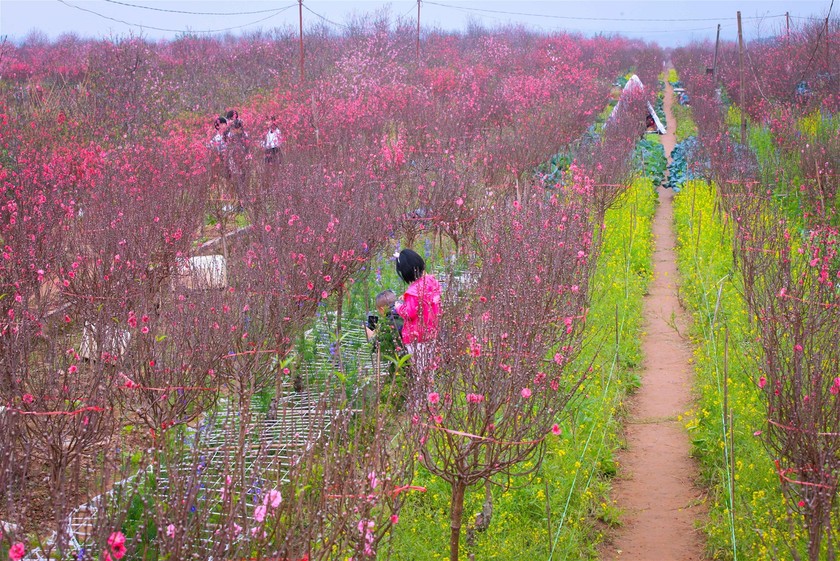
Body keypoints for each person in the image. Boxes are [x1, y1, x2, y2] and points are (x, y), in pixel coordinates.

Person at [394, 249, 441, 379]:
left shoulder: (413, 292)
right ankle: (430, 395)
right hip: (431, 332)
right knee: (429, 369)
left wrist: (398, 306)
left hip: (417, 338)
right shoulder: (431, 281)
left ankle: (424, 397)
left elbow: (409, 313)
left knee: (421, 373)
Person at [365, 290, 406, 376]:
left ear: (382, 309)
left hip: (403, 366)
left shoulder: (390, 322)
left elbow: (376, 347)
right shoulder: (406, 310)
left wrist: (370, 334)